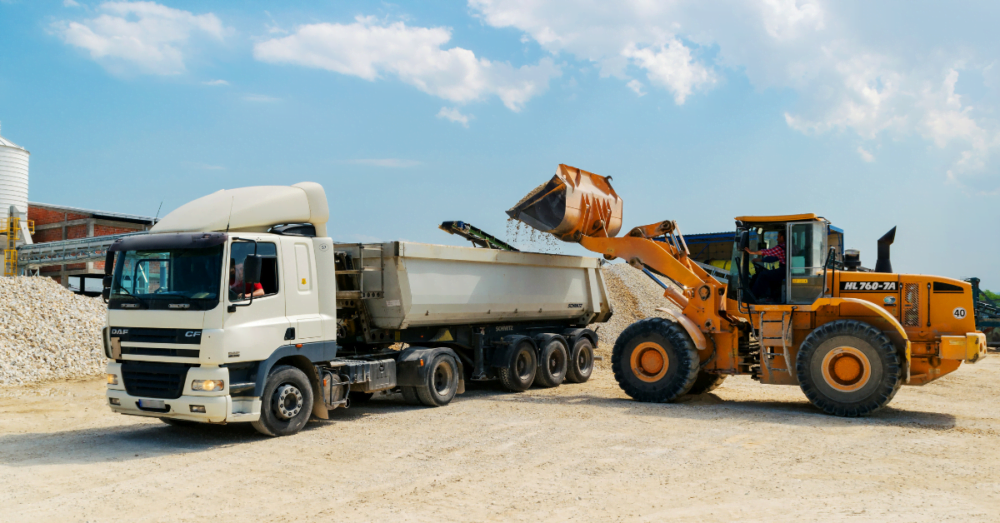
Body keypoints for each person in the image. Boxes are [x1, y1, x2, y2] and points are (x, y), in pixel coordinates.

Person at [745, 231, 786, 302]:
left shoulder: (781, 247)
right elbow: (774, 258)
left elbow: (768, 252)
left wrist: (752, 252)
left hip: (784, 271)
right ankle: (771, 296)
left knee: (762, 275)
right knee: (768, 274)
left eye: (778, 237)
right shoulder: (789, 246)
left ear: (782, 237)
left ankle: (753, 297)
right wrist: (761, 260)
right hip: (787, 270)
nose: (777, 239)